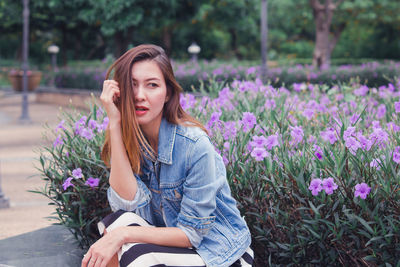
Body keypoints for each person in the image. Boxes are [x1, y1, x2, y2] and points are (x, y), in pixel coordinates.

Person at [81, 44, 253, 267]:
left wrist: (122, 235)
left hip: (220, 254)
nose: (139, 96)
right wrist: (114, 121)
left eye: (152, 85)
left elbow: (191, 234)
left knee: (131, 249)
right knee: (119, 223)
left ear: (167, 93)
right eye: (131, 85)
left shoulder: (194, 145)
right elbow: (126, 203)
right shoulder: (132, 139)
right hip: (172, 249)